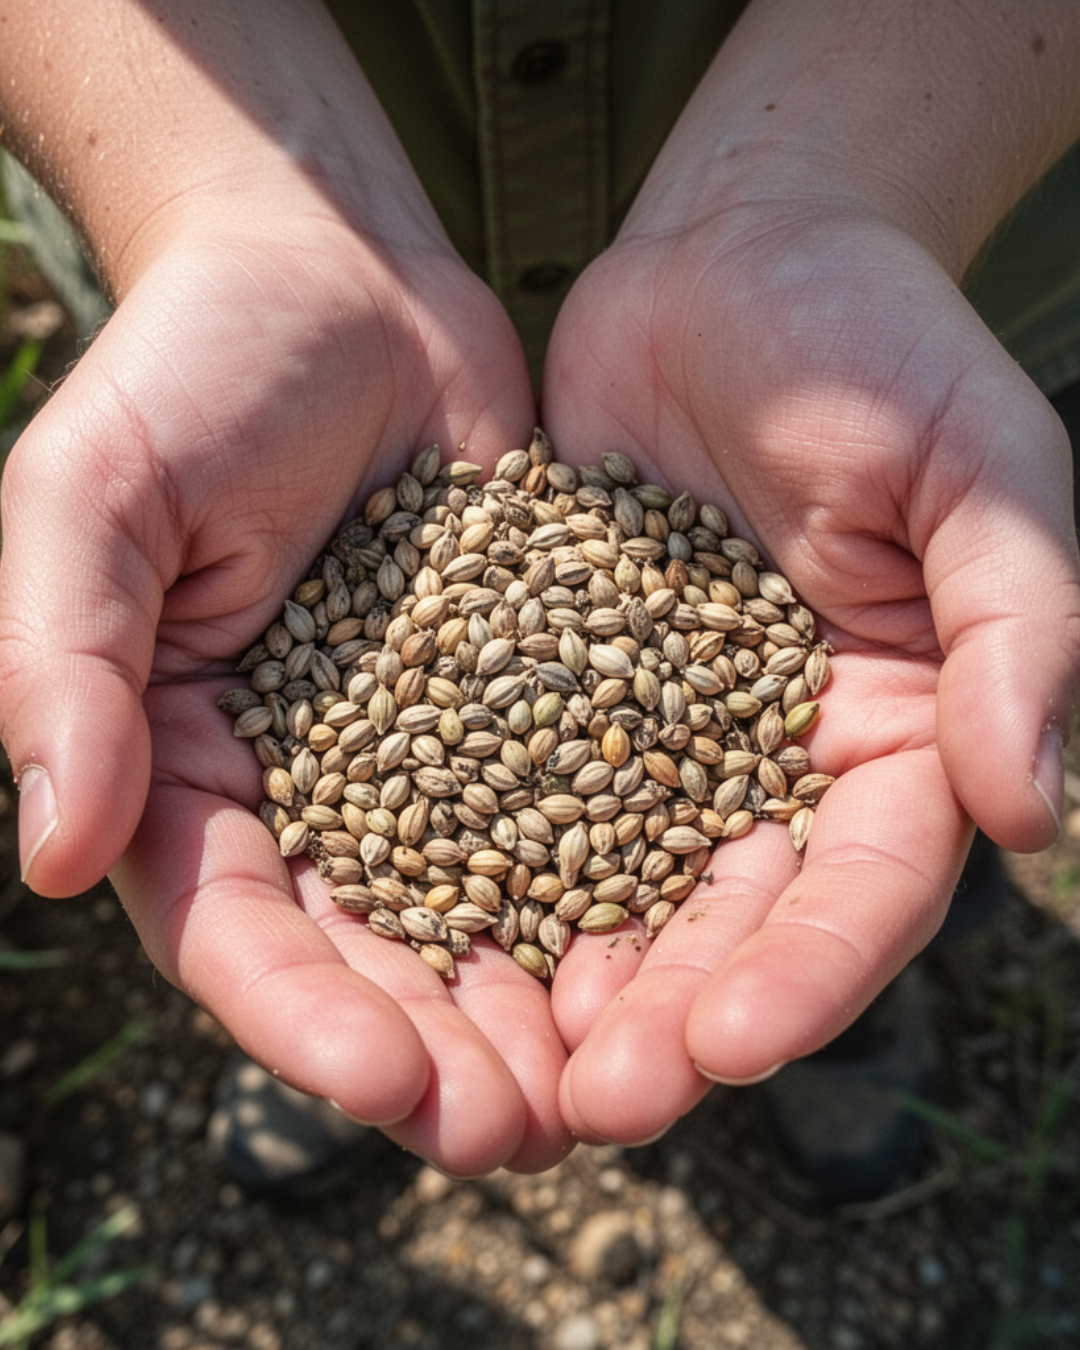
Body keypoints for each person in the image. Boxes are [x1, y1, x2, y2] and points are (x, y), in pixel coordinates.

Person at [0, 1, 1078, 1186]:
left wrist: (836, 179)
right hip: (263, 290)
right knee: (336, 972)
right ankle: (348, 1016)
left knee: (904, 725)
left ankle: (855, 1007)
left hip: (921, 219)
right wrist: (212, 189)